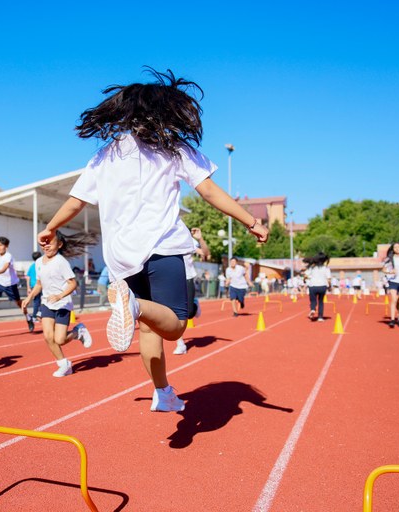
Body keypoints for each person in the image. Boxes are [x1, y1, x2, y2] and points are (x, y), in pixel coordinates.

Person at [38, 68, 268, 412]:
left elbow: (77, 201)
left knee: (148, 332)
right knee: (174, 326)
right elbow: (208, 190)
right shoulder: (174, 149)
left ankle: (162, 392)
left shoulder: (105, 155)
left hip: (121, 257)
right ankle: (132, 307)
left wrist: (51, 227)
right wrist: (251, 220)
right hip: (162, 247)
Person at [21, 231, 95, 377]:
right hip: (47, 303)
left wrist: (60, 295)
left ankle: (78, 332)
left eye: (50, 242)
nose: (46, 245)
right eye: (45, 242)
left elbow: (73, 284)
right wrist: (29, 298)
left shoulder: (61, 262)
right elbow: (39, 284)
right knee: (48, 337)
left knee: (59, 339)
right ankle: (64, 364)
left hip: (62, 303)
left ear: (59, 245)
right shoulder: (38, 263)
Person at [174, 227, 210, 355]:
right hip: (172, 279)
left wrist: (200, 239)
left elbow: (205, 253)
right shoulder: (165, 240)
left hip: (188, 277)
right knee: (175, 312)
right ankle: (181, 343)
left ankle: (194, 303)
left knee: (188, 314)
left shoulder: (188, 241)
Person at [303, 252, 331, 321]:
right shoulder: (326, 268)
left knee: (313, 300)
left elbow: (305, 275)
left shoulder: (312, 268)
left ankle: (313, 309)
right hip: (322, 286)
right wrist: (329, 286)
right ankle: (320, 317)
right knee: (321, 301)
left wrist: (304, 280)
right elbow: (329, 279)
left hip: (313, 286)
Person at [25, 251, 43, 325]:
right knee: (43, 299)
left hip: (33, 286)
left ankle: (35, 316)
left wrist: (28, 288)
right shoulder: (41, 265)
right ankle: (39, 313)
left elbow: (28, 277)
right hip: (40, 285)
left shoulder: (32, 266)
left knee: (36, 301)